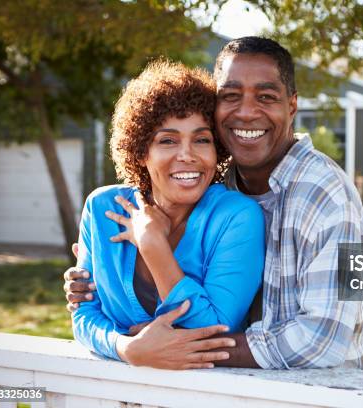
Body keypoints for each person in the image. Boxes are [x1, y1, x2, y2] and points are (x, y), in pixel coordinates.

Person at [65, 37, 363, 371]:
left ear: (292, 106)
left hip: (335, 390)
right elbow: (86, 311)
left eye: (266, 96)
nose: (246, 112)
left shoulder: (328, 196)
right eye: (230, 96)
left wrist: (174, 346)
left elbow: (324, 340)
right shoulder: (227, 182)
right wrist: (127, 346)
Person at [71, 60, 265, 368]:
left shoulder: (236, 217)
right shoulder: (102, 209)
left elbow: (214, 332)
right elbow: (83, 313)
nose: (187, 155)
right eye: (168, 140)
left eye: (202, 140)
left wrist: (151, 244)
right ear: (141, 152)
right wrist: (126, 347)